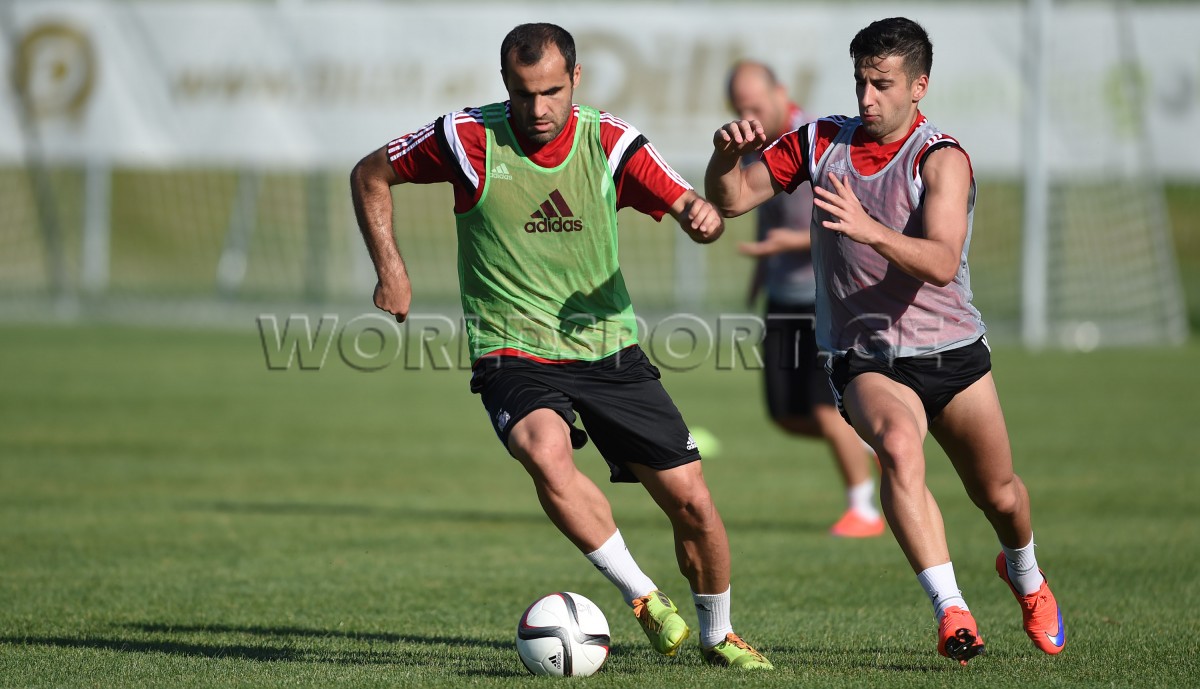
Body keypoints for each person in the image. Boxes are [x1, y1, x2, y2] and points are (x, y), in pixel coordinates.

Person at [350, 23, 771, 670]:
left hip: (607, 349)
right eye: (523, 94)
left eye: (551, 92)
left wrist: (699, 215)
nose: (539, 109)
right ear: (505, 85)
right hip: (511, 348)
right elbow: (369, 174)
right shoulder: (466, 137)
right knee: (543, 451)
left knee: (691, 500)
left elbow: (691, 207)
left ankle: (719, 634)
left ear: (576, 78)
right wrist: (391, 268)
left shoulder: (610, 141)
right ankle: (643, 596)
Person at [706, 18, 1065, 665]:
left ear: (919, 86)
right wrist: (725, 156)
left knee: (1001, 494)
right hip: (865, 355)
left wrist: (867, 228)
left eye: (883, 84)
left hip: (951, 350)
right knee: (898, 448)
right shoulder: (820, 141)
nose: (867, 97)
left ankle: (1026, 574)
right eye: (860, 82)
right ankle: (951, 609)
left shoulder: (942, 158)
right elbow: (731, 199)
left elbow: (941, 259)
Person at [726, 60, 884, 539]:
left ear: (781, 93)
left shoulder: (819, 141)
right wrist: (760, 274)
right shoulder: (754, 147)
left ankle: (864, 509)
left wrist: (787, 245)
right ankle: (866, 443)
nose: (748, 115)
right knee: (785, 415)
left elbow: (849, 223)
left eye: (755, 105)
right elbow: (763, 216)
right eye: (739, 108)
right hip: (781, 298)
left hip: (825, 299)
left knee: (823, 408)